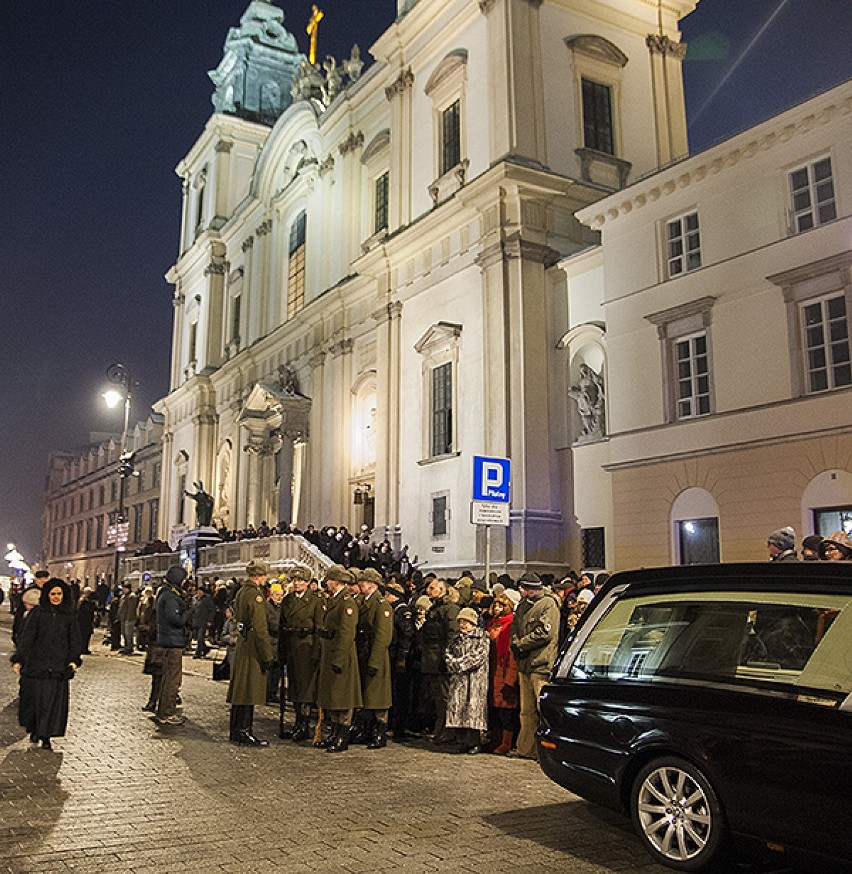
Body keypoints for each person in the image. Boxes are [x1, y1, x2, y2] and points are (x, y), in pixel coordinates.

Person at [10, 579, 82, 749]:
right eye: (53, 594)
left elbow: (75, 640)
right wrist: (19, 659)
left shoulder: (69, 615)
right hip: (37, 665)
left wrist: (73, 660)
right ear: (47, 595)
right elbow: (27, 638)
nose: (56, 597)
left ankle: (46, 735)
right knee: (37, 701)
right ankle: (35, 729)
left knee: (53, 704)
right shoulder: (38, 613)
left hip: (59, 667)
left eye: (59, 594)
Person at [510, 571, 560, 760]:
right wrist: (516, 643)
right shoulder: (523, 604)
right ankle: (525, 749)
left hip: (540, 664)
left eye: (523, 588)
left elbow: (545, 633)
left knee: (543, 710)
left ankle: (547, 752)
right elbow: (516, 625)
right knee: (526, 711)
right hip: (525, 664)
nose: (520, 591)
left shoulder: (548, 603)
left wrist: (521, 644)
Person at [227, 561, 275, 746]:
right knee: (248, 691)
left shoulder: (241, 592)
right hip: (253, 648)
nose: (265, 579)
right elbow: (260, 627)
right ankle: (244, 731)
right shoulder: (255, 595)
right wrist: (267, 654)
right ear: (258, 576)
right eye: (264, 575)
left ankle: (236, 729)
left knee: (241, 691)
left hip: (243, 645)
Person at [316, 564, 362, 752]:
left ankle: (342, 735)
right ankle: (334, 733)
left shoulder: (346, 603)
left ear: (335, 582)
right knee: (333, 697)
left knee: (342, 698)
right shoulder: (335, 600)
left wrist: (340, 660)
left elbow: (346, 634)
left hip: (341, 655)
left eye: (328, 580)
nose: (326, 583)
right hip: (331, 653)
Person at [278, 565, 322, 741]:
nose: (297, 583)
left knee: (305, 689)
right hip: (291, 646)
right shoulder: (288, 600)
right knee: (294, 687)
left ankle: (304, 724)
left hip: (307, 647)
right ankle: (297, 722)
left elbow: (319, 628)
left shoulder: (316, 601)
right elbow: (282, 626)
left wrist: (317, 652)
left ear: (308, 583)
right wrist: (281, 651)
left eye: (301, 581)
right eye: (295, 580)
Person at [353, 568, 393, 749]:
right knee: (367, 696)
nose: (361, 584)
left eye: (364, 582)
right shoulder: (364, 602)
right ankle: (367, 730)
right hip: (364, 652)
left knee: (378, 697)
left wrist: (375, 661)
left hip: (375, 655)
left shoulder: (381, 605)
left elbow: (382, 637)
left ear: (373, 585)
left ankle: (380, 732)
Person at [444, 606, 490, 754]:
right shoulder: (456, 638)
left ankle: (474, 742)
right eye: (461, 622)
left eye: (466, 622)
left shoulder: (482, 637)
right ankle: (462, 740)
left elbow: (478, 657)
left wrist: (459, 664)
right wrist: (452, 663)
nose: (463, 625)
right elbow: (448, 653)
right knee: (459, 709)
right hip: (458, 679)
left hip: (474, 680)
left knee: (473, 709)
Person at [419, 578, 460, 743]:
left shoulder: (449, 609)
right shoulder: (435, 608)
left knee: (445, 696)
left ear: (443, 590)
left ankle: (448, 730)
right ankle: (440, 728)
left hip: (440, 657)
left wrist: (447, 656)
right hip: (432, 657)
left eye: (432, 588)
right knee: (437, 696)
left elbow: (452, 634)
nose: (429, 590)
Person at [155, 566, 191, 726]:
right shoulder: (170, 596)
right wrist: (187, 612)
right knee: (173, 679)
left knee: (169, 677)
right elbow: (175, 619)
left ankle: (163, 710)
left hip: (170, 639)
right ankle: (167, 712)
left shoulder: (167, 594)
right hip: (172, 641)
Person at [485, 592, 519, 755]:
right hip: (492, 669)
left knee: (507, 709)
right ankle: (495, 739)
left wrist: (510, 680)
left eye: (501, 605)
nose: (497, 608)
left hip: (504, 669)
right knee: (494, 709)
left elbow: (512, 654)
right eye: (496, 605)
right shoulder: (491, 624)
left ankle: (506, 742)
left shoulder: (510, 625)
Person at [190, 583, 216, 659]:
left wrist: (210, 620)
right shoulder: (194, 598)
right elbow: (192, 609)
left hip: (203, 621)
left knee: (200, 637)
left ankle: (198, 653)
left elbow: (212, 610)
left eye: (200, 591)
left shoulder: (207, 599)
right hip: (195, 621)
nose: (198, 592)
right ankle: (205, 648)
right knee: (198, 638)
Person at [116, 582, 138, 654]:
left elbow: (131, 609)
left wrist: (128, 618)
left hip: (129, 618)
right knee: (124, 633)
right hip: (123, 618)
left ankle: (129, 647)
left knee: (128, 634)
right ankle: (126, 646)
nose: (123, 590)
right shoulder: (124, 596)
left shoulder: (132, 596)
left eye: (124, 588)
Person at [77, 587, 97, 655]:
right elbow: (86, 611)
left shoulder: (83, 600)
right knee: (85, 635)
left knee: (86, 635)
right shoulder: (84, 601)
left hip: (85, 621)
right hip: (84, 621)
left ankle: (84, 648)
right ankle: (83, 648)